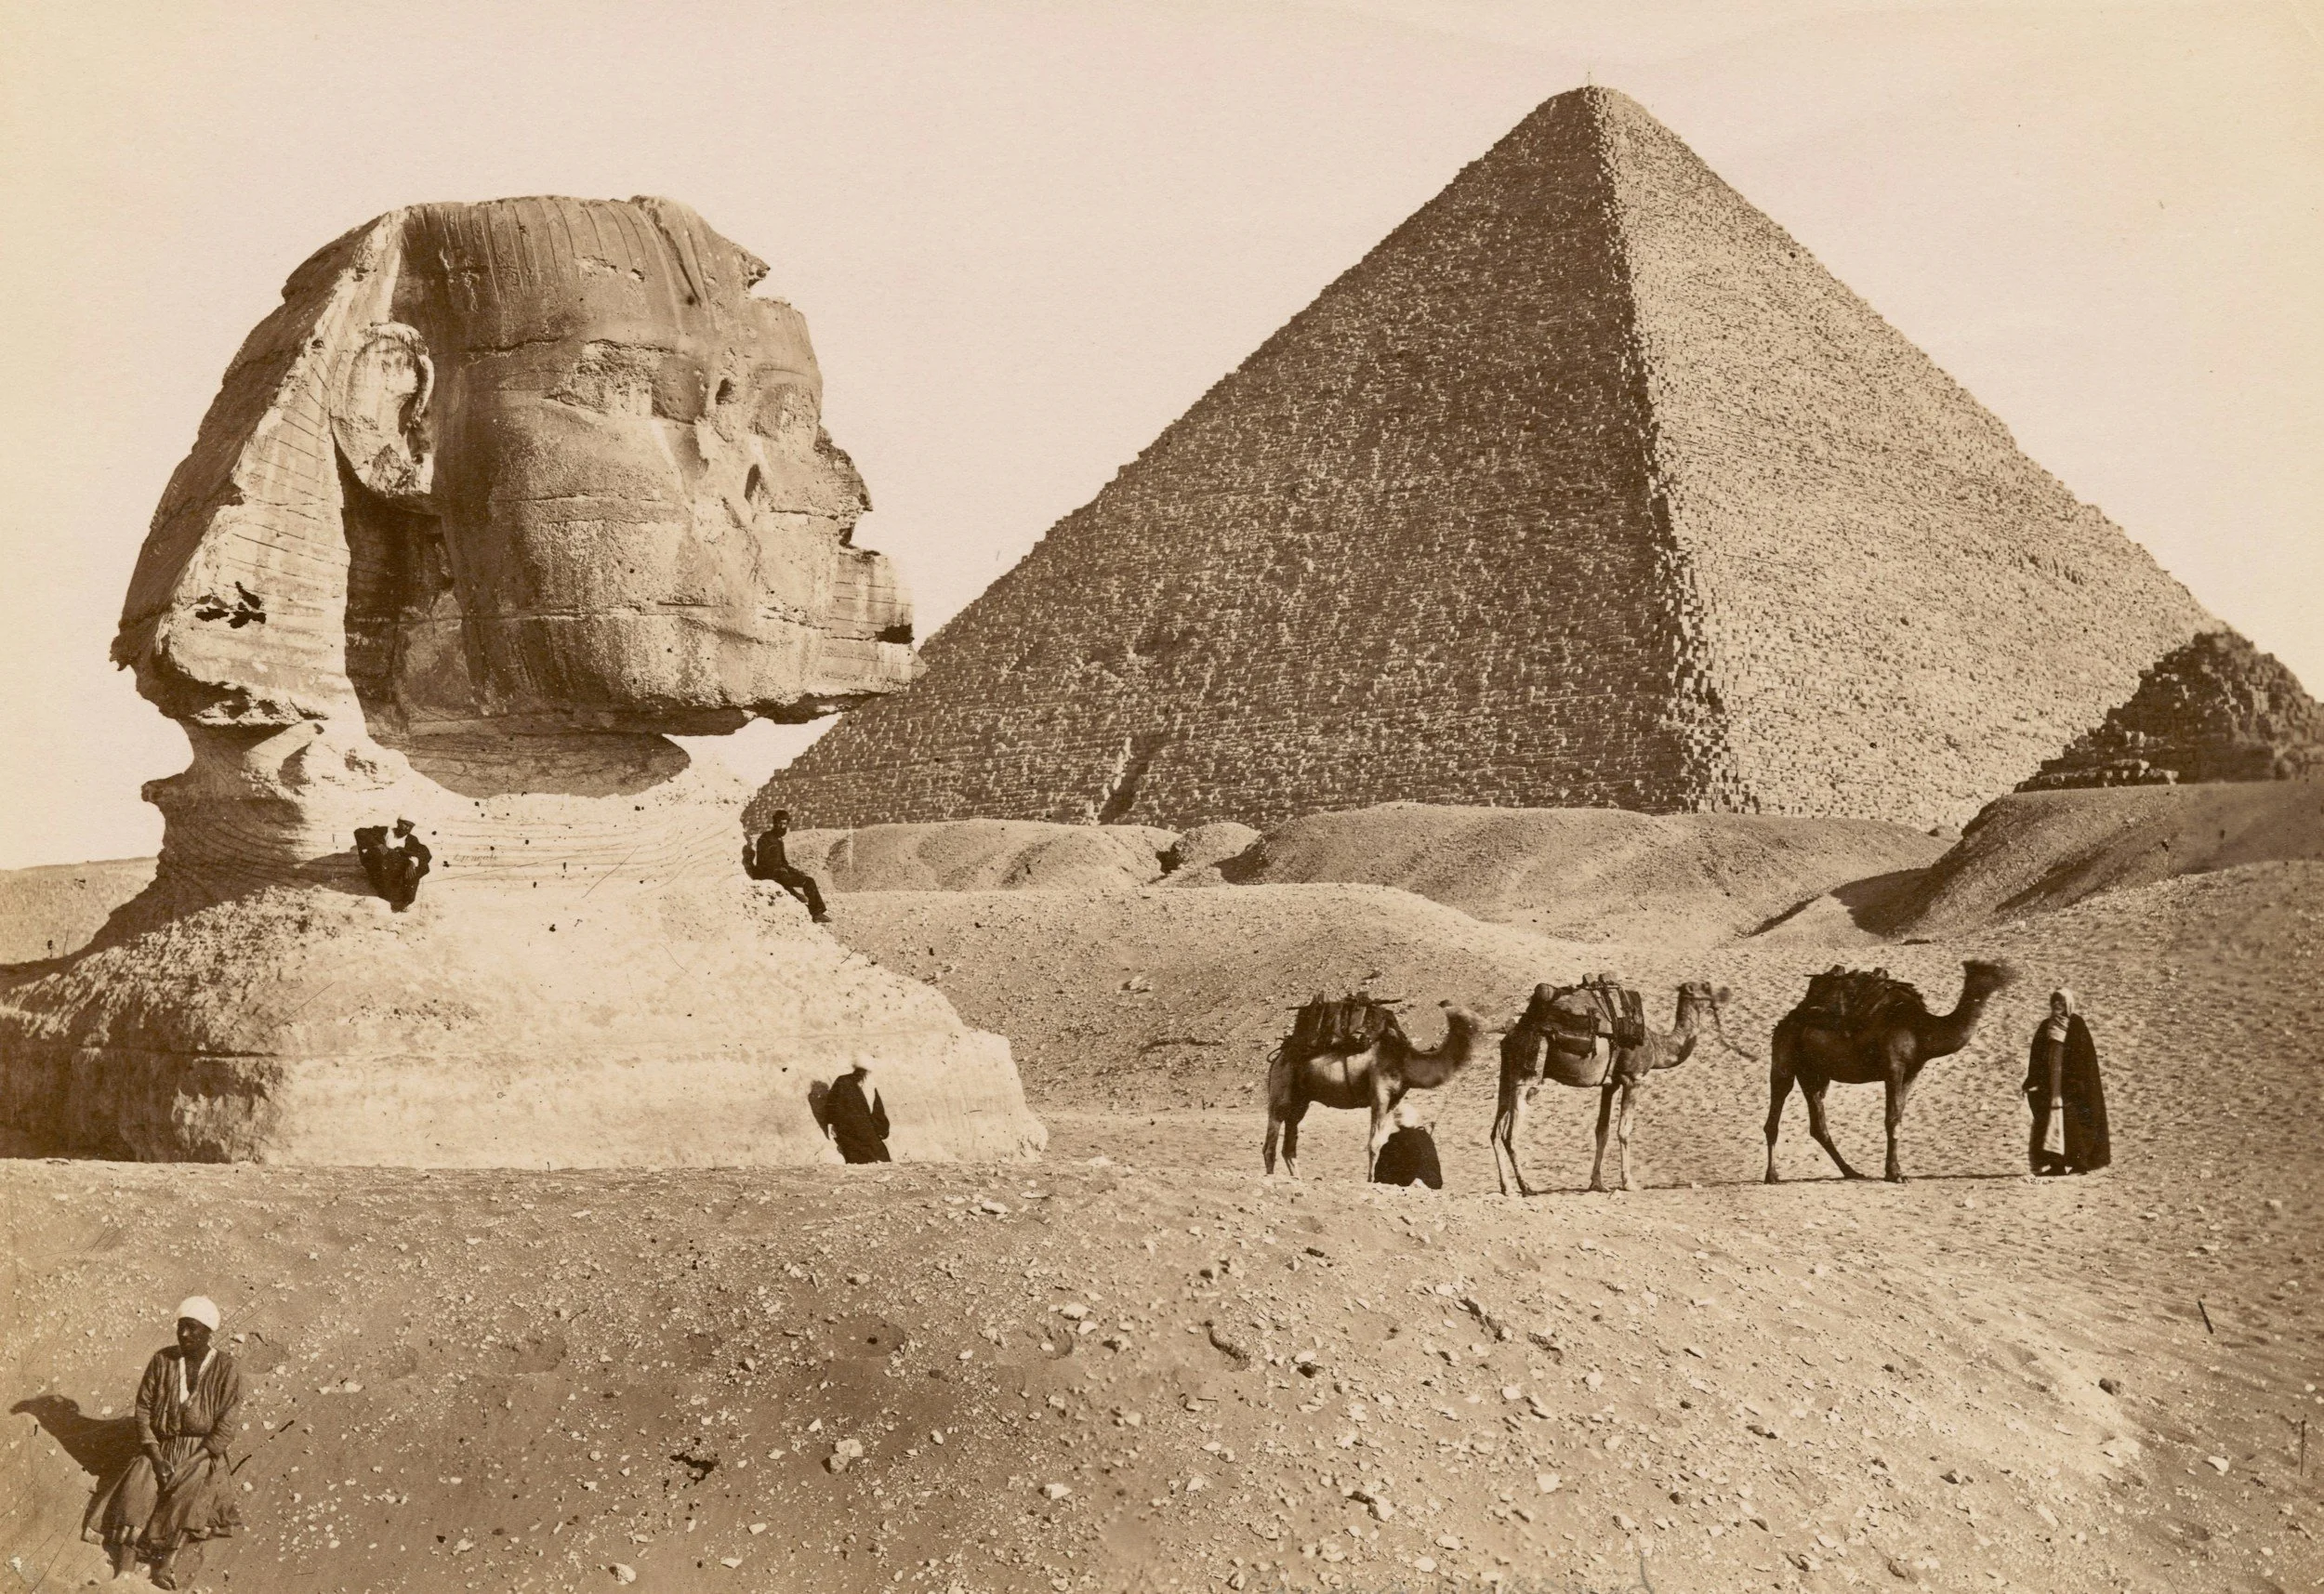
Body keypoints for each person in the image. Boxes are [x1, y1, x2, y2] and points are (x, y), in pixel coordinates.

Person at [83, 1297, 244, 1588]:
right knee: (139, 1484)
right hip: (160, 1446)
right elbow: (143, 1408)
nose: (184, 1335)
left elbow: (226, 1424)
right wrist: (156, 1456)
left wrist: (191, 1461)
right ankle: (126, 1568)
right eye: (181, 1327)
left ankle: (165, 1565)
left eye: (192, 1329)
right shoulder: (162, 1360)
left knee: (192, 1488)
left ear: (209, 1331)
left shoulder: (226, 1368)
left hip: (200, 1451)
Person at [2025, 988, 2111, 1176]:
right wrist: (2032, 1079)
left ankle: (2080, 1163)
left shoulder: (2076, 1025)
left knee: (2073, 1122)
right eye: (2054, 1001)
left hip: (2071, 1083)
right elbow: (2037, 1057)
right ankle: (2056, 1164)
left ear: (2068, 1004)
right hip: (2050, 1081)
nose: (2057, 1005)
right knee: (2051, 1121)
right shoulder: (2046, 1026)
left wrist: (2076, 1081)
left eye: (2061, 1002)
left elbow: (2084, 1057)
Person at [744, 810, 828, 923]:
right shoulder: (765, 838)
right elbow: (762, 862)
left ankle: (815, 910)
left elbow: (783, 862)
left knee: (808, 880)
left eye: (784, 824)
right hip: (768, 874)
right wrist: (778, 869)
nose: (781, 826)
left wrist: (795, 871)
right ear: (774, 823)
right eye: (779, 823)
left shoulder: (778, 840)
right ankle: (814, 911)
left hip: (779, 873)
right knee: (797, 882)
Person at [824, 1062, 891, 1163]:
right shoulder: (843, 1082)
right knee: (864, 1151)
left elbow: (878, 1111)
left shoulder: (870, 1086)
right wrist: (833, 1124)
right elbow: (833, 1106)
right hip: (848, 1129)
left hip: (865, 1129)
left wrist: (882, 1130)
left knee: (878, 1151)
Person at [1371, 1098, 1443, 1190]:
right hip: (1425, 1184)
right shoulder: (1424, 1139)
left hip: (1408, 1185)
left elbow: (1380, 1175)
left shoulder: (1396, 1141)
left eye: (1398, 1116)